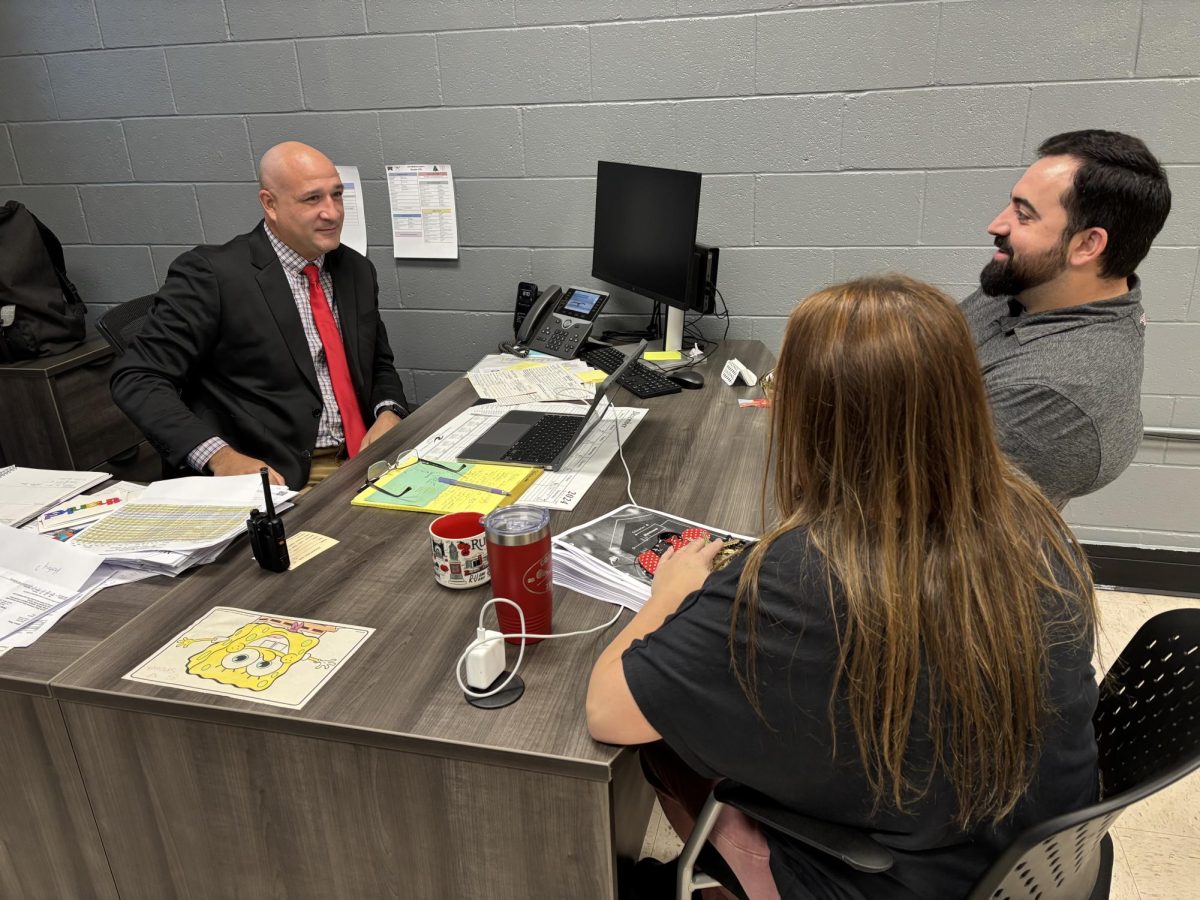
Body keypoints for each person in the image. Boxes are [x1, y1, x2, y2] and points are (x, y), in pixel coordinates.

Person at [587, 276, 1100, 899]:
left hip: (898, 882)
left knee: (666, 742)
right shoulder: (1029, 512)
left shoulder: (804, 575)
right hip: (1043, 869)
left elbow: (608, 712)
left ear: (816, 418)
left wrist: (667, 595)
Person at [111, 142, 409, 491]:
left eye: (337, 195)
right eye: (312, 199)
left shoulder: (355, 269)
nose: (332, 212)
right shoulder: (212, 276)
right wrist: (220, 456)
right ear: (270, 204)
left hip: (368, 458)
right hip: (285, 474)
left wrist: (389, 412)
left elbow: (378, 362)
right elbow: (137, 377)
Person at [962, 129, 1171, 506]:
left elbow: (916, 503)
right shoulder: (1031, 281)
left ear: (1087, 245)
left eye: (1024, 215)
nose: (996, 225)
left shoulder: (1054, 392)